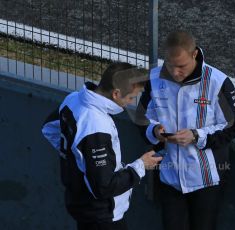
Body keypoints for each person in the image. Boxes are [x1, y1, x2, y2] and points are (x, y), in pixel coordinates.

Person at [135, 30, 235, 230]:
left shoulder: (218, 82)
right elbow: (142, 118)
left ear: (195, 55)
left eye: (181, 66)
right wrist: (154, 131)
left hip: (208, 179)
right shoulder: (154, 78)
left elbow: (232, 127)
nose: (175, 72)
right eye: (170, 64)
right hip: (169, 175)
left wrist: (196, 135)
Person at [42, 62, 162, 230]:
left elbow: (49, 128)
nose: (130, 103)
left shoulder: (73, 99)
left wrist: (78, 158)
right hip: (102, 216)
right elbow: (104, 187)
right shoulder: (96, 125)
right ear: (116, 93)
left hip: (82, 204)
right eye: (130, 98)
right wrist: (141, 165)